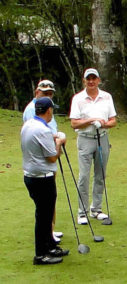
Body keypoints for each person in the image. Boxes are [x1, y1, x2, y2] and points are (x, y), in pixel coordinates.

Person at [21, 97, 69, 265]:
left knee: (46, 214)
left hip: (31, 176)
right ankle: (41, 254)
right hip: (42, 178)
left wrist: (53, 137)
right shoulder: (43, 130)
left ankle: (50, 246)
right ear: (48, 110)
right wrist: (59, 142)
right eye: (52, 110)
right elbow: (52, 157)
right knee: (44, 216)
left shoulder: (28, 125)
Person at [69, 68, 117, 225]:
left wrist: (104, 123)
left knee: (100, 175)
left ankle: (96, 209)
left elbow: (113, 120)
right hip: (85, 139)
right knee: (83, 176)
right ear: (84, 81)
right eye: (88, 79)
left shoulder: (106, 97)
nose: (91, 81)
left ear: (98, 80)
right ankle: (82, 212)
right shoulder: (78, 99)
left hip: (102, 138)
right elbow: (74, 123)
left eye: (93, 78)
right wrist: (91, 121)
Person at [22, 79, 63, 243]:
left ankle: (49, 234)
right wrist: (59, 142)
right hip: (41, 167)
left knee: (45, 207)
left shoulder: (34, 120)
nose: (48, 96)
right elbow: (52, 156)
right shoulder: (33, 112)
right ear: (36, 92)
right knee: (44, 207)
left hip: (35, 168)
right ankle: (47, 240)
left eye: (50, 93)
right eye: (44, 93)